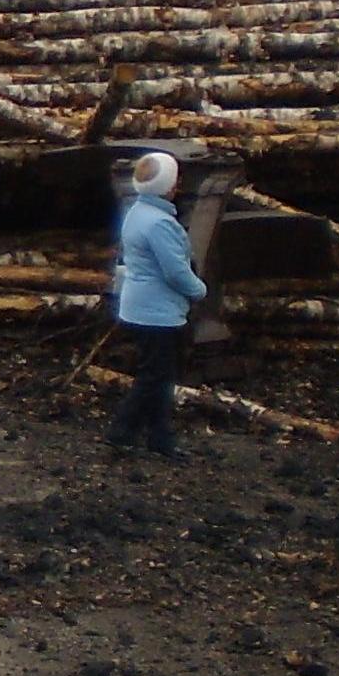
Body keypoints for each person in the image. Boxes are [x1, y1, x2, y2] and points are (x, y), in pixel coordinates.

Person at [107, 150, 208, 457]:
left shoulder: (136, 212)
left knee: (159, 375)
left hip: (138, 306)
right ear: (168, 187)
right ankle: (122, 431)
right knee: (155, 377)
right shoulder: (160, 224)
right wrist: (199, 290)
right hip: (158, 312)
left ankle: (159, 437)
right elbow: (175, 271)